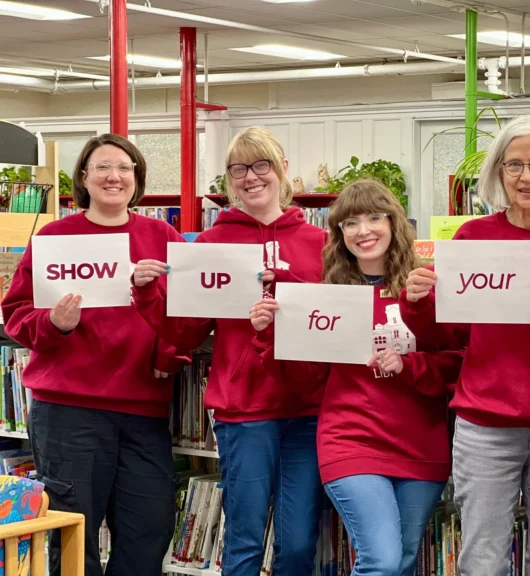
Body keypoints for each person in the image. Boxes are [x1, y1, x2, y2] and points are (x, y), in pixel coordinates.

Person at [400, 115, 530, 576]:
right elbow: (448, 337)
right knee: (482, 559)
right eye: (513, 165)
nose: (526, 177)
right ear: (497, 173)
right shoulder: (473, 238)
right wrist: (416, 304)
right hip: (486, 426)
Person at [132, 126, 326, 576]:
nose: (251, 177)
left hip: (309, 408)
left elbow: (336, 323)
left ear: (283, 172)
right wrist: (147, 294)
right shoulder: (212, 245)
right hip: (246, 409)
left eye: (261, 165)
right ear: (228, 179)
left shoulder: (321, 245)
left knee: (298, 544)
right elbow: (185, 332)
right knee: (244, 539)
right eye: (238, 169)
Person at [249, 179, 463, 576]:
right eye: (350, 223)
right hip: (351, 440)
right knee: (380, 561)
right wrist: (270, 336)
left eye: (374, 218)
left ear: (394, 222)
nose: (363, 231)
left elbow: (458, 365)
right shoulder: (327, 295)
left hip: (421, 444)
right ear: (338, 235)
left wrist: (407, 366)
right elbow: (306, 379)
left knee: (402, 560)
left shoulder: (424, 287)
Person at [1, 134, 189, 576]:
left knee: (149, 528)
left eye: (124, 168)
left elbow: (187, 313)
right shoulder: (54, 237)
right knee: (73, 532)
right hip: (69, 411)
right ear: (83, 177)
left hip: (143, 410)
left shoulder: (162, 235)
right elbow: (15, 316)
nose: (113, 177)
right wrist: (54, 324)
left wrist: (169, 353)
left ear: (137, 178)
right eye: (102, 167)